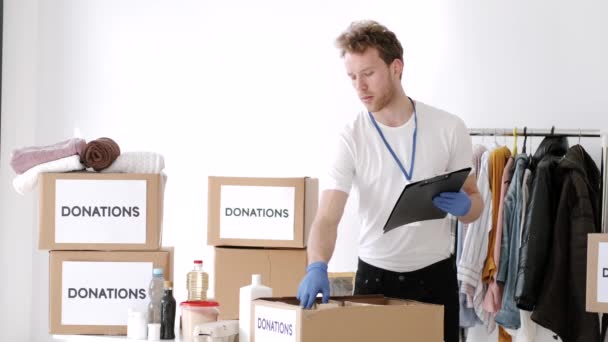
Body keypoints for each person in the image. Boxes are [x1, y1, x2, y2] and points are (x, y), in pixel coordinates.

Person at [296, 20, 483, 342]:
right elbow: (327, 217)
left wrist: (466, 207)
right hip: (374, 278)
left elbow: (474, 203)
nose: (359, 87)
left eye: (368, 73)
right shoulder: (351, 137)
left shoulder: (448, 127)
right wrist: (317, 266)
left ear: (396, 67)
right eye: (352, 77)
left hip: (435, 275)